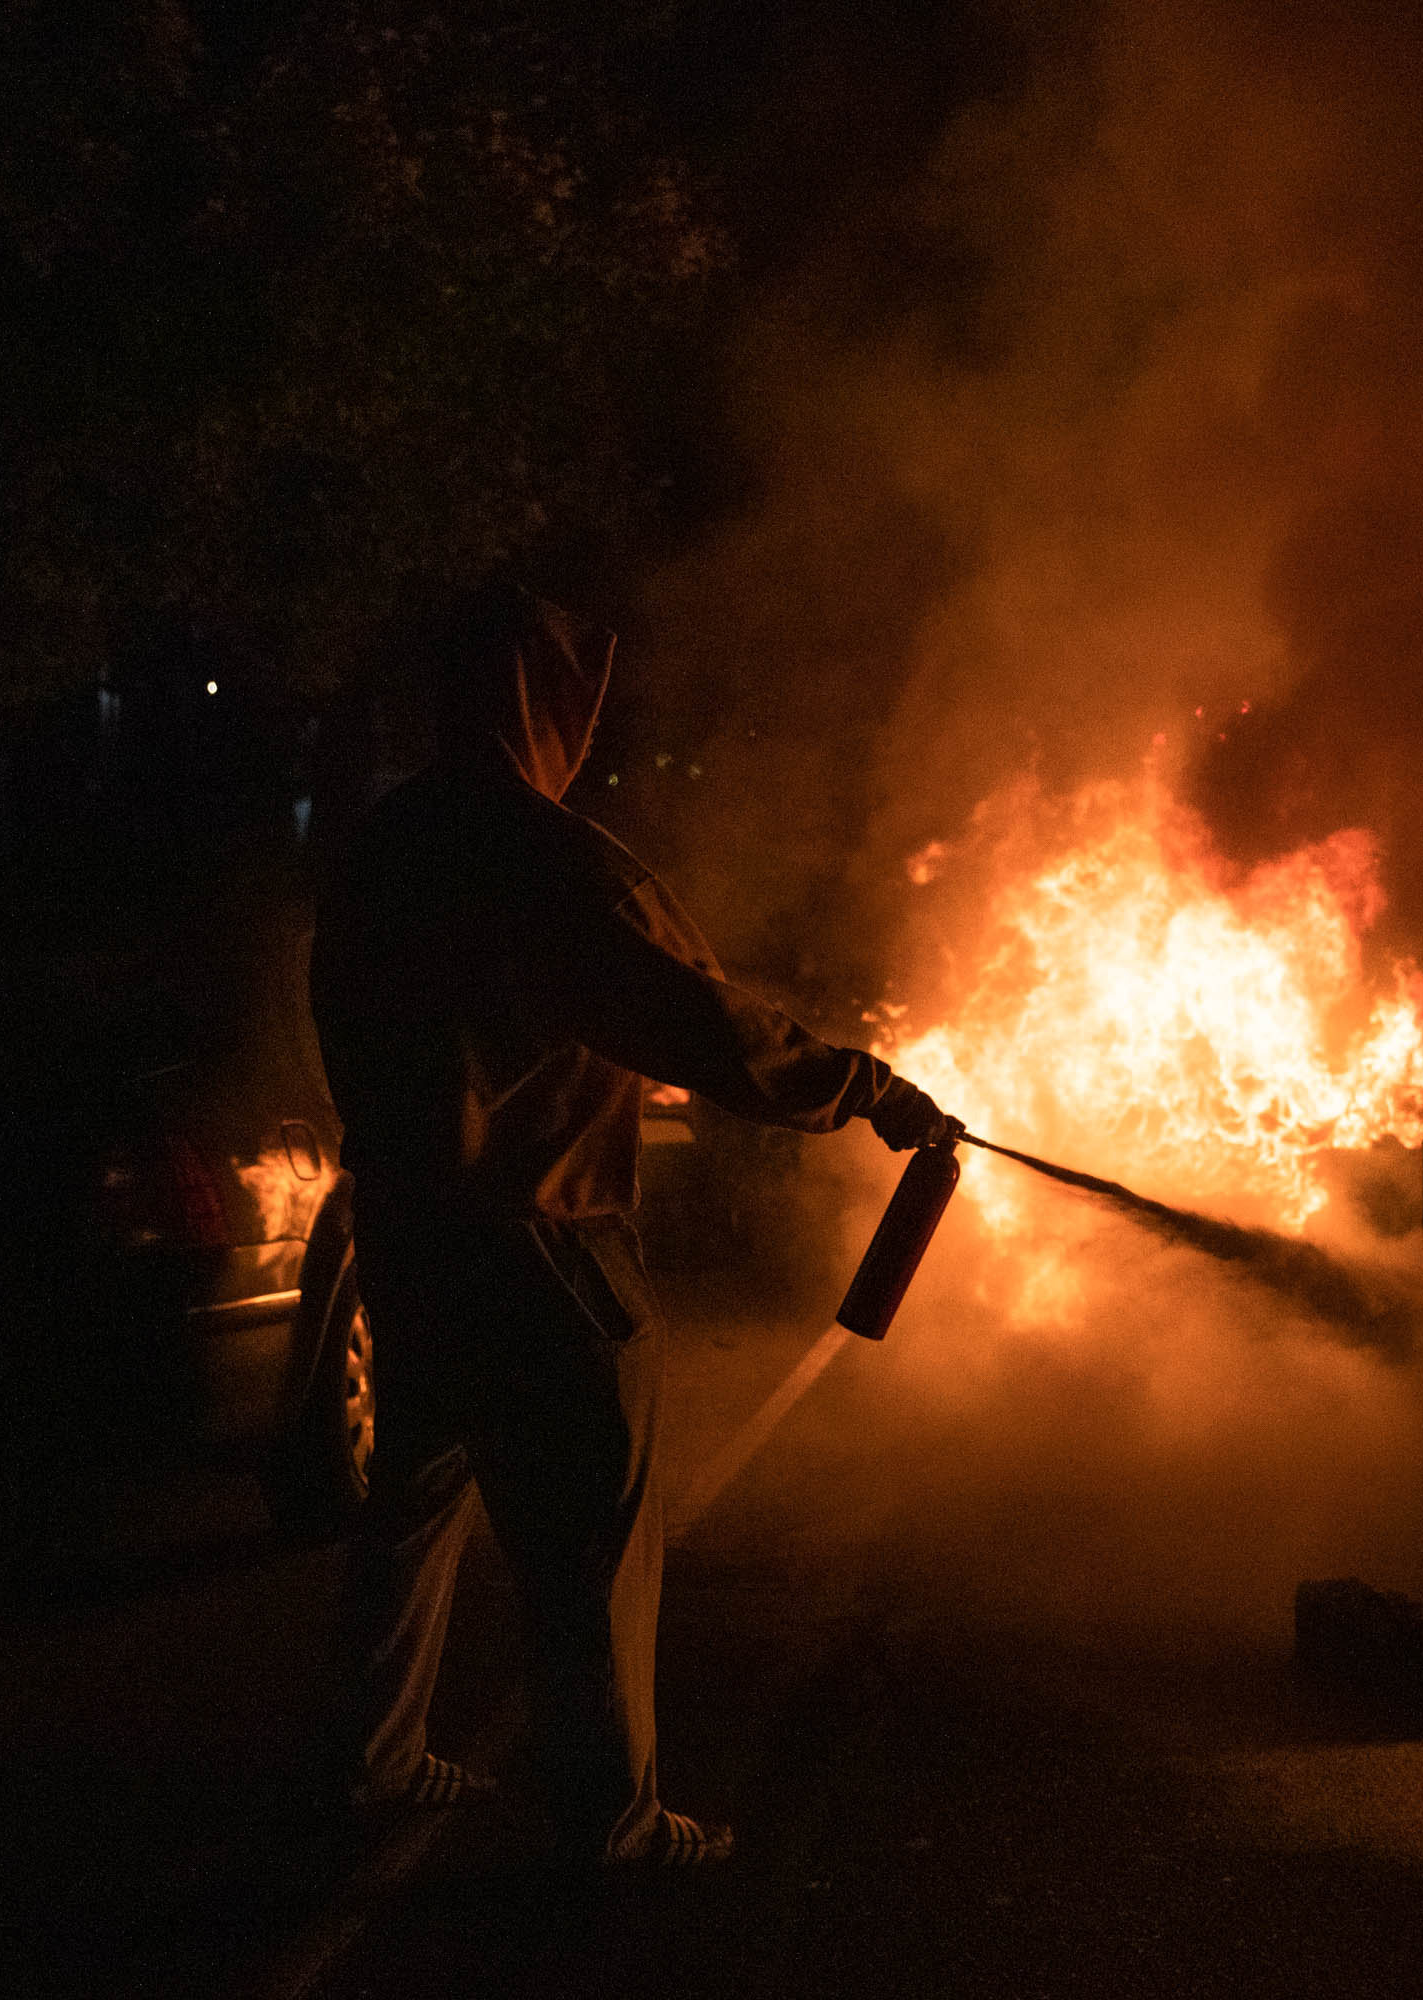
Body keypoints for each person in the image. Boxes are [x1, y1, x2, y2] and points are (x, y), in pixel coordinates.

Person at [308, 590, 956, 1866]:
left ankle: (367, 1762)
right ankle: (613, 1818)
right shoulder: (553, 864)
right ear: (541, 706)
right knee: (595, 1539)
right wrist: (865, 1087)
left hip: (411, 1230)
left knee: (415, 1501)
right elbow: (705, 1024)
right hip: (542, 1242)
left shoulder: (387, 844)